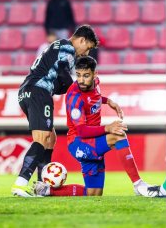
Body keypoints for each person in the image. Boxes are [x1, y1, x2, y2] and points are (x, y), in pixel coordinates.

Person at [33, 56, 149, 197]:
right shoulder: (74, 97)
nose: (81, 80)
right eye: (78, 75)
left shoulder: (96, 84)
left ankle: (47, 190)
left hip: (92, 139)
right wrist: (107, 128)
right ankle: (138, 185)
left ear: (95, 74)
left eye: (86, 76)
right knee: (118, 136)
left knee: (93, 194)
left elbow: (94, 97)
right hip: (79, 143)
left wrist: (109, 101)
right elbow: (81, 131)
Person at [12, 25, 99, 197]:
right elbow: (63, 75)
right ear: (81, 40)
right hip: (39, 91)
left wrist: (66, 86)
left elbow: (59, 79)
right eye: (87, 48)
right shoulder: (67, 47)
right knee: (42, 138)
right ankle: (20, 184)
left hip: (29, 91)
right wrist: (79, 88)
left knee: (50, 138)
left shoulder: (57, 46)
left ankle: (41, 187)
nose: (86, 53)